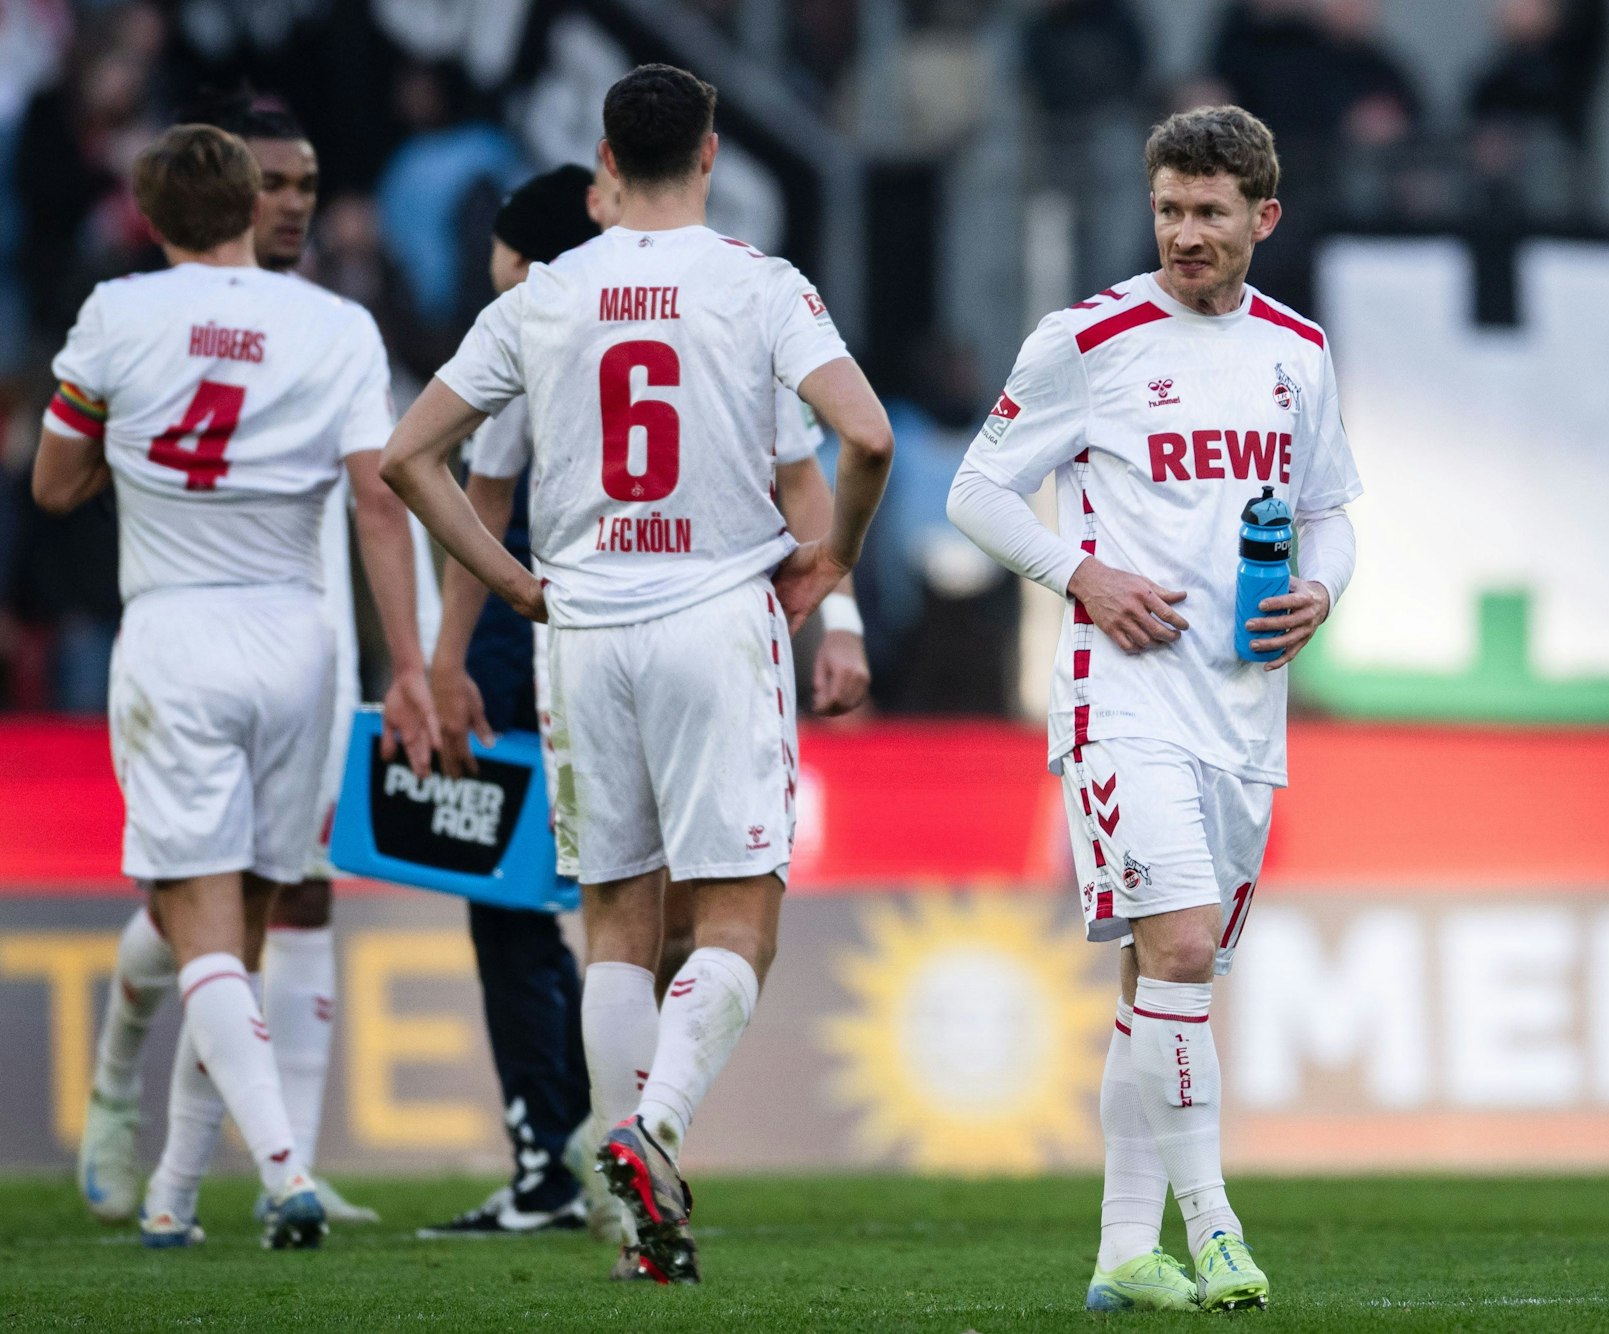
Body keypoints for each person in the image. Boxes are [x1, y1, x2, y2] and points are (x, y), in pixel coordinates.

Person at [381, 63, 893, 1285]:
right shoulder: (760, 284)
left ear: (606, 158)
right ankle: (653, 1129)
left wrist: (508, 582)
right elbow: (863, 434)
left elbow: (412, 458)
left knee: (614, 922)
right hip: (718, 617)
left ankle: (636, 1233)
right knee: (735, 918)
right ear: (711, 154)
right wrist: (833, 562)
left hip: (584, 630)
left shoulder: (543, 296)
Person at [947, 104, 1360, 1312]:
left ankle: (1126, 1245)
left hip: (1244, 708)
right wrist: (1083, 575)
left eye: (1210, 214)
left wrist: (1323, 588)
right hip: (1118, 697)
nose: (1186, 234)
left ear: (1262, 219)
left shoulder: (1298, 349)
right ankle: (1216, 1226)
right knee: (1178, 946)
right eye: (1170, 210)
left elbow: (1331, 503)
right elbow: (980, 489)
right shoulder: (1091, 338)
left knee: (1164, 982)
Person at [35, 124, 439, 1248]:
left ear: (151, 217)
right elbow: (376, 501)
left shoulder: (118, 313)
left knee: (201, 923)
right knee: (243, 926)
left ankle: (280, 1171)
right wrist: (409, 664)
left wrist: (132, 440)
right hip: (298, 638)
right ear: (250, 206)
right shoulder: (339, 326)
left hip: (175, 629)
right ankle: (172, 1188)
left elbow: (54, 480)